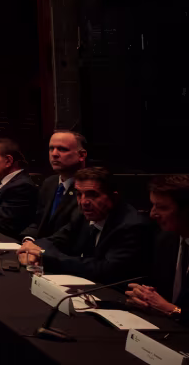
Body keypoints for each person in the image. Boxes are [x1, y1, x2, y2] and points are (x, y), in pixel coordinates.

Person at [17, 166, 155, 283]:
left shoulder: (132, 226)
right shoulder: (82, 215)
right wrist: (32, 251)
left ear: (113, 197)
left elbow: (105, 270)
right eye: (79, 194)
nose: (84, 202)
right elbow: (54, 240)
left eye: (92, 195)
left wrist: (44, 256)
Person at [127, 174, 189, 320]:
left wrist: (172, 310)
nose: (152, 214)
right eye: (152, 205)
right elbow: (159, 295)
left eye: (162, 208)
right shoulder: (166, 240)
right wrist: (143, 298)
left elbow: (171, 308)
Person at [20, 129, 88, 242]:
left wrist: (37, 248)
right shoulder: (49, 183)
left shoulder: (88, 189)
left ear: (81, 155)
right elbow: (38, 222)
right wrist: (28, 240)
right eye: (51, 148)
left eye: (62, 149)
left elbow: (72, 234)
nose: (54, 154)